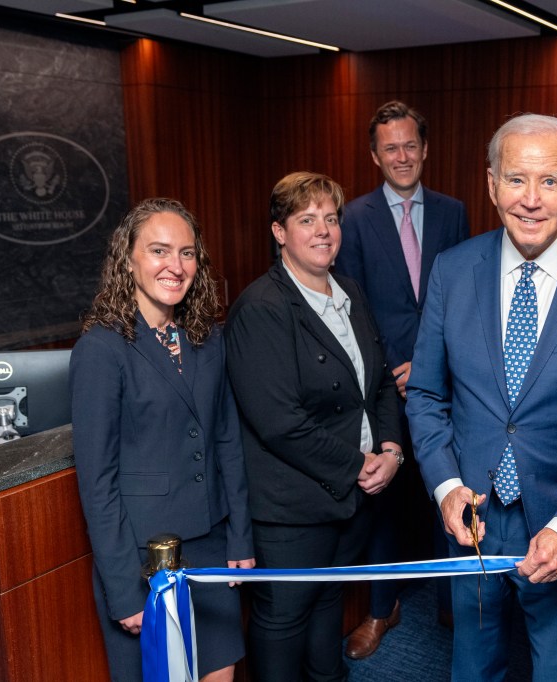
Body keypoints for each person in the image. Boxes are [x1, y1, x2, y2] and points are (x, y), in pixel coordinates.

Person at [406, 114, 557, 682]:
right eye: (516, 180)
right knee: (473, 665)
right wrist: (445, 487)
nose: (531, 200)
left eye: (548, 181)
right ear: (491, 184)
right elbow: (424, 394)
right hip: (472, 520)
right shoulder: (453, 270)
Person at [224, 172, 403, 682]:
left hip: (350, 501)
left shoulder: (349, 291)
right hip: (291, 512)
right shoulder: (260, 308)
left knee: (329, 604)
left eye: (331, 218)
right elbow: (280, 424)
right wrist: (361, 465)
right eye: (307, 220)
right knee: (283, 621)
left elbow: (382, 384)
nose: (323, 230)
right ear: (280, 232)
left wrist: (391, 450)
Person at [71, 198, 254, 682]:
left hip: (213, 544)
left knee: (221, 672)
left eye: (188, 253)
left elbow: (227, 441)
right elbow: (97, 482)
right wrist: (121, 589)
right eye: (159, 251)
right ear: (127, 259)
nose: (176, 266)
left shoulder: (207, 338)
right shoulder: (101, 348)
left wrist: (240, 535)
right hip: (141, 562)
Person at [336, 100, 470, 655]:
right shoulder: (354, 217)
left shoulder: (453, 211)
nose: (402, 156)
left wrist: (431, 360)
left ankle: (452, 605)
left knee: (451, 491)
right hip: (384, 380)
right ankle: (381, 607)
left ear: (425, 148)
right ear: (374, 155)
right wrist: (398, 364)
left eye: (410, 144)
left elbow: (463, 294)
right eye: (389, 147)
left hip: (446, 380)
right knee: (385, 499)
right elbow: (354, 300)